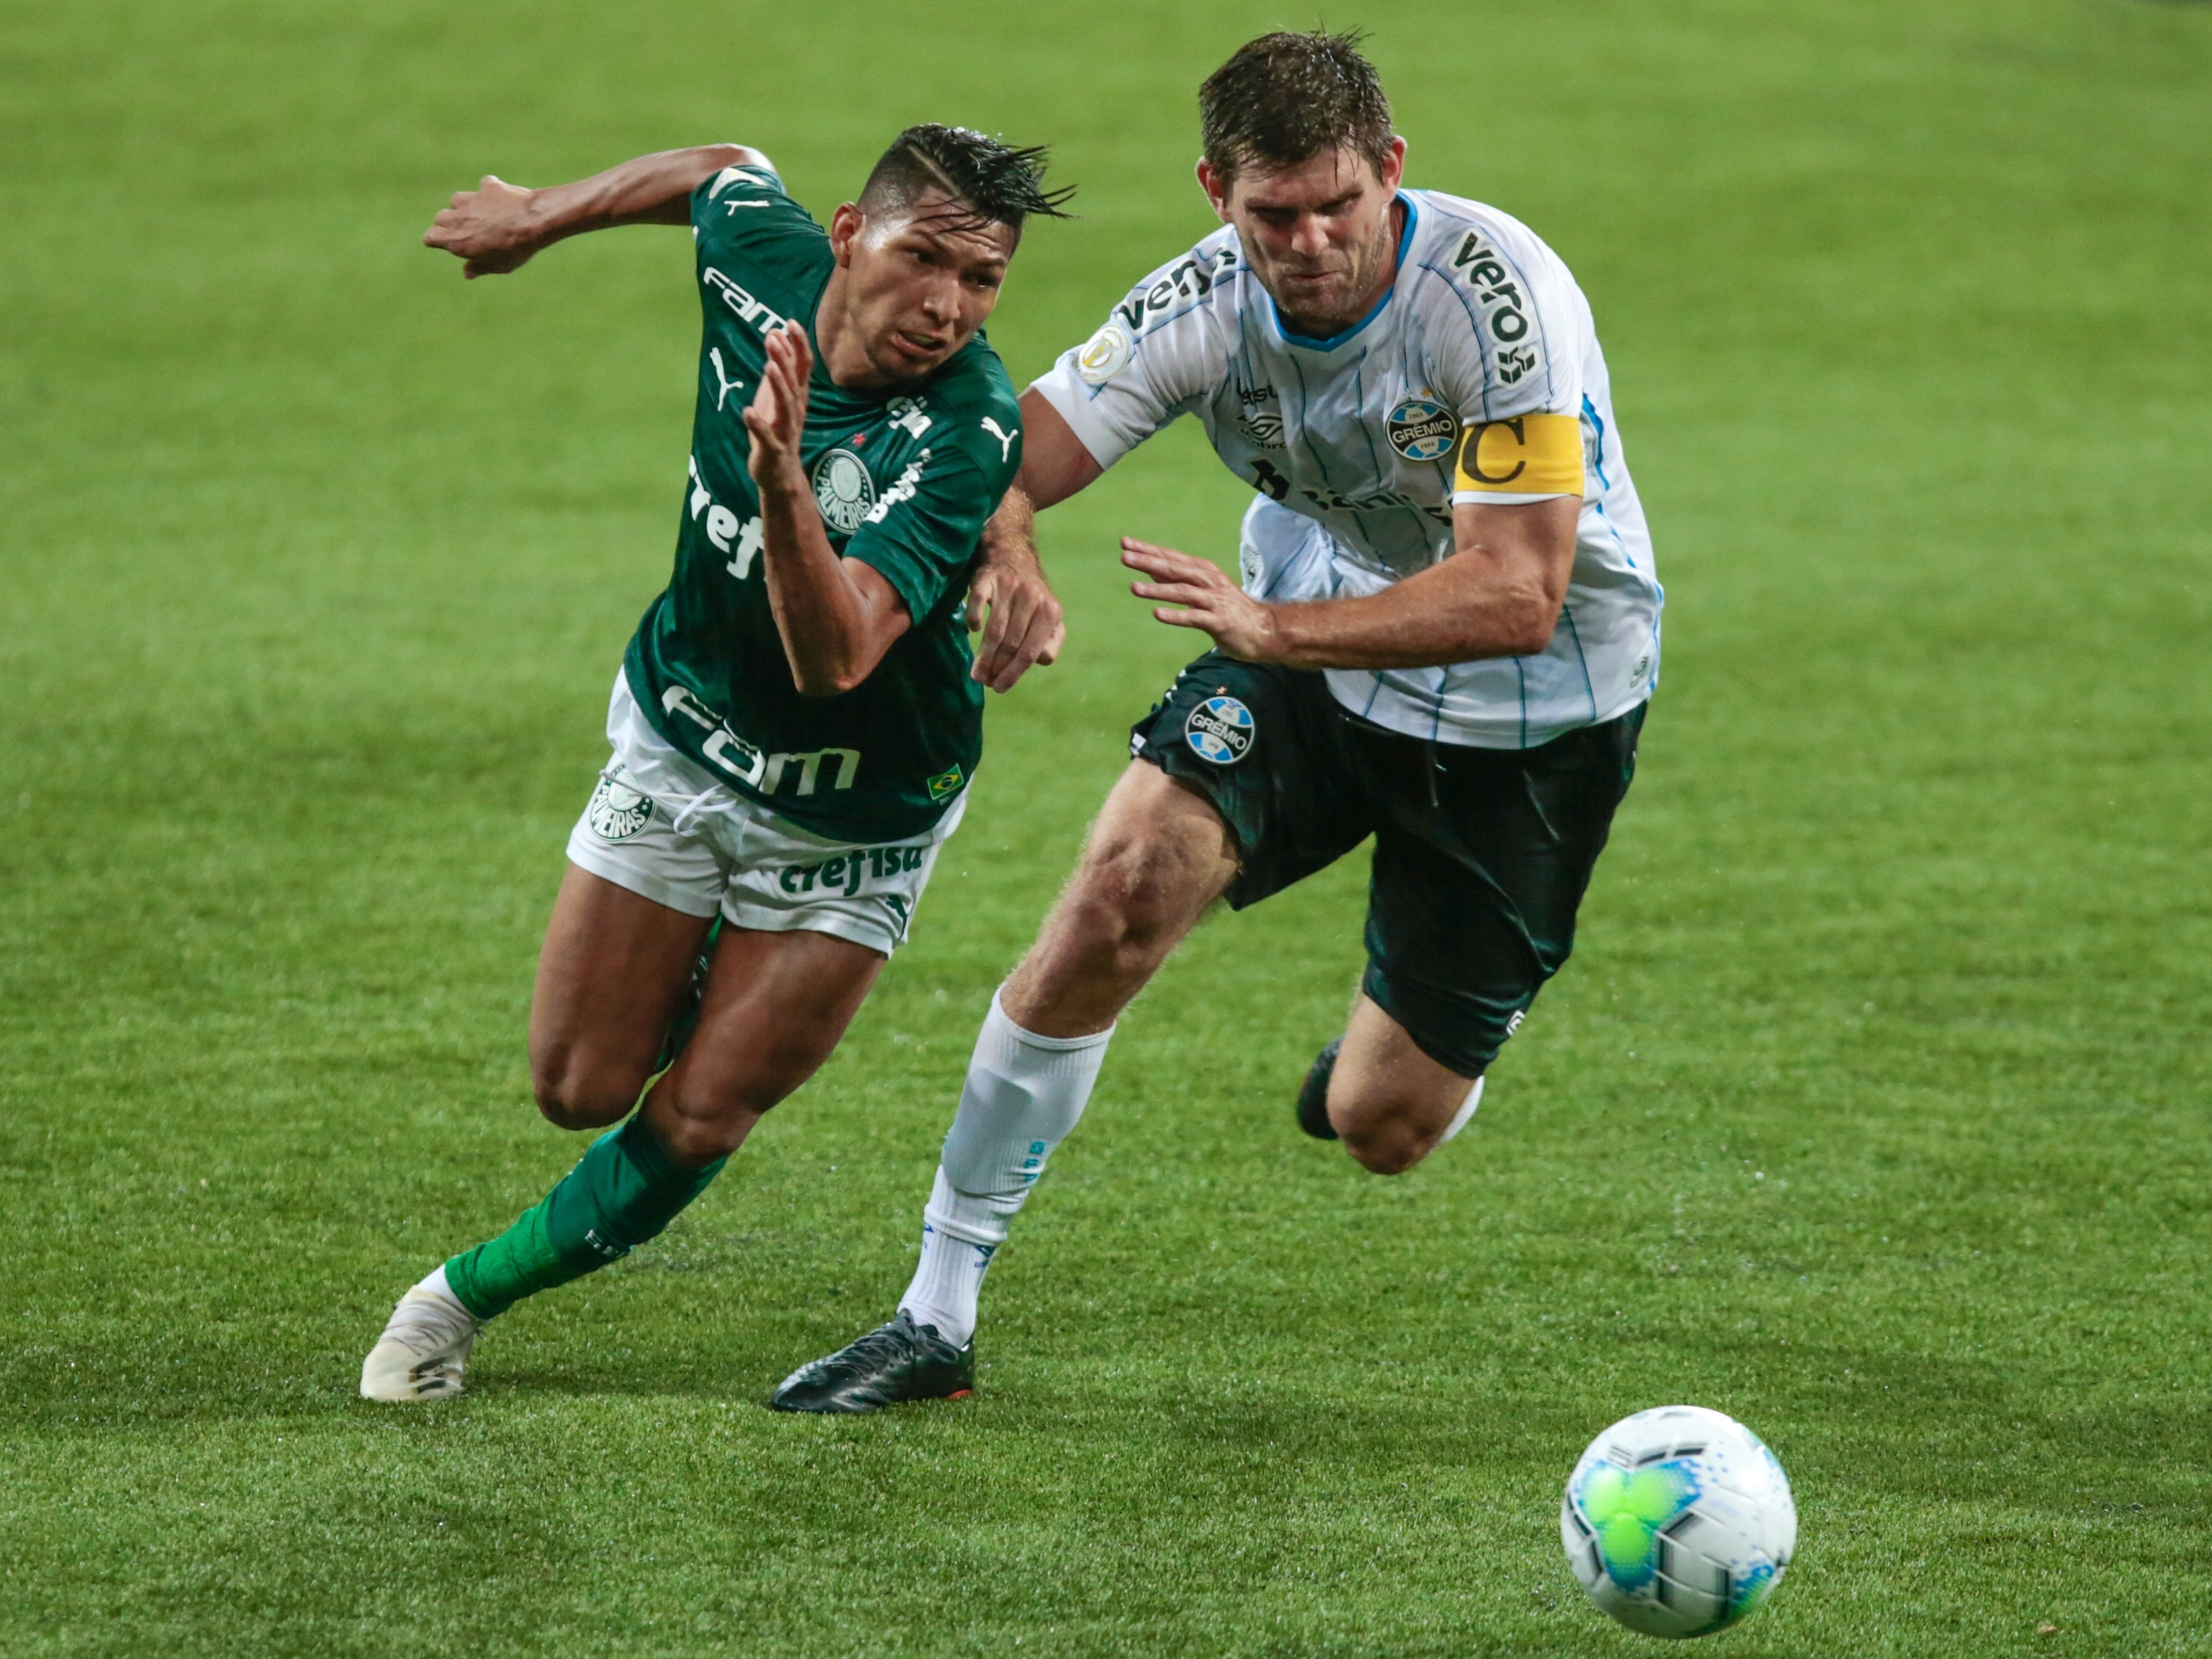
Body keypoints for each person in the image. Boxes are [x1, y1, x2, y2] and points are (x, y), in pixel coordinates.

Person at [771, 31, 1660, 1414]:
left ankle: (1397, 1059)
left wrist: (1270, 629)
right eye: (1270, 215)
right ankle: (934, 1312)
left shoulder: (1498, 299)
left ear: (1390, 172)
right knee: (1119, 890)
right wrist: (1008, 546)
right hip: (1305, 654)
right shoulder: (1200, 301)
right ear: (1215, 193)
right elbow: (1004, 447)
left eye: (1335, 207)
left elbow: (1519, 590)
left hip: (1531, 717)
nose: (1306, 244)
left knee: (1384, 1125)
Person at [360, 125, 1072, 1402]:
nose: (947, 308)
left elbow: (837, 657)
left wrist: (785, 481)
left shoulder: (962, 431)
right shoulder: (760, 260)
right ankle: (700, 966)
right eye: (925, 261)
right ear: (851, 234)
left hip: (851, 821)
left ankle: (453, 1298)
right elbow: (716, 168)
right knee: (576, 1085)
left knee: (698, 1112)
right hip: (685, 739)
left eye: (984, 282)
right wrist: (541, 210)